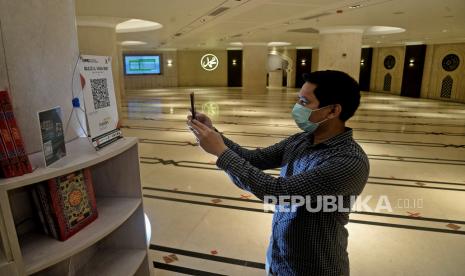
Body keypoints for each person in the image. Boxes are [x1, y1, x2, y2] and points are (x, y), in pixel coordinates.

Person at [187, 70, 369, 276]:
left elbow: (277, 191)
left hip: (316, 265)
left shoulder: (348, 161)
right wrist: (213, 133)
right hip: (279, 255)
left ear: (333, 110)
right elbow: (255, 159)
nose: (297, 107)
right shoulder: (300, 140)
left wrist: (220, 151)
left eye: (304, 101)